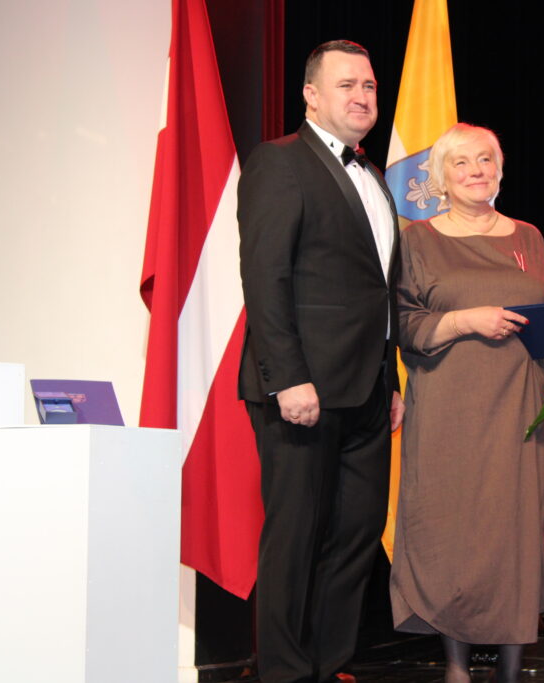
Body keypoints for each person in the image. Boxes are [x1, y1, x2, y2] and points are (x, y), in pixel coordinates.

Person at [237, 39, 404, 683]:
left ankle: (328, 664)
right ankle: (283, 672)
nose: (362, 96)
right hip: (301, 390)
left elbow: (379, 291)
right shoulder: (279, 162)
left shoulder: (375, 176)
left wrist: (390, 379)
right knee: (295, 537)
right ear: (310, 95)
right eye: (347, 85)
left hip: (368, 391)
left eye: (369, 85)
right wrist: (288, 379)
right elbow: (265, 278)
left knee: (356, 534)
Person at [389, 123, 544, 683]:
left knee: (515, 533)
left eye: (485, 159)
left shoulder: (528, 237)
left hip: (520, 410)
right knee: (451, 531)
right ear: (441, 177)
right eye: (461, 162)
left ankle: (511, 669)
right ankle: (457, 667)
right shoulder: (417, 239)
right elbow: (403, 324)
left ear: (500, 169)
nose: (475, 171)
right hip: (448, 411)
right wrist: (467, 320)